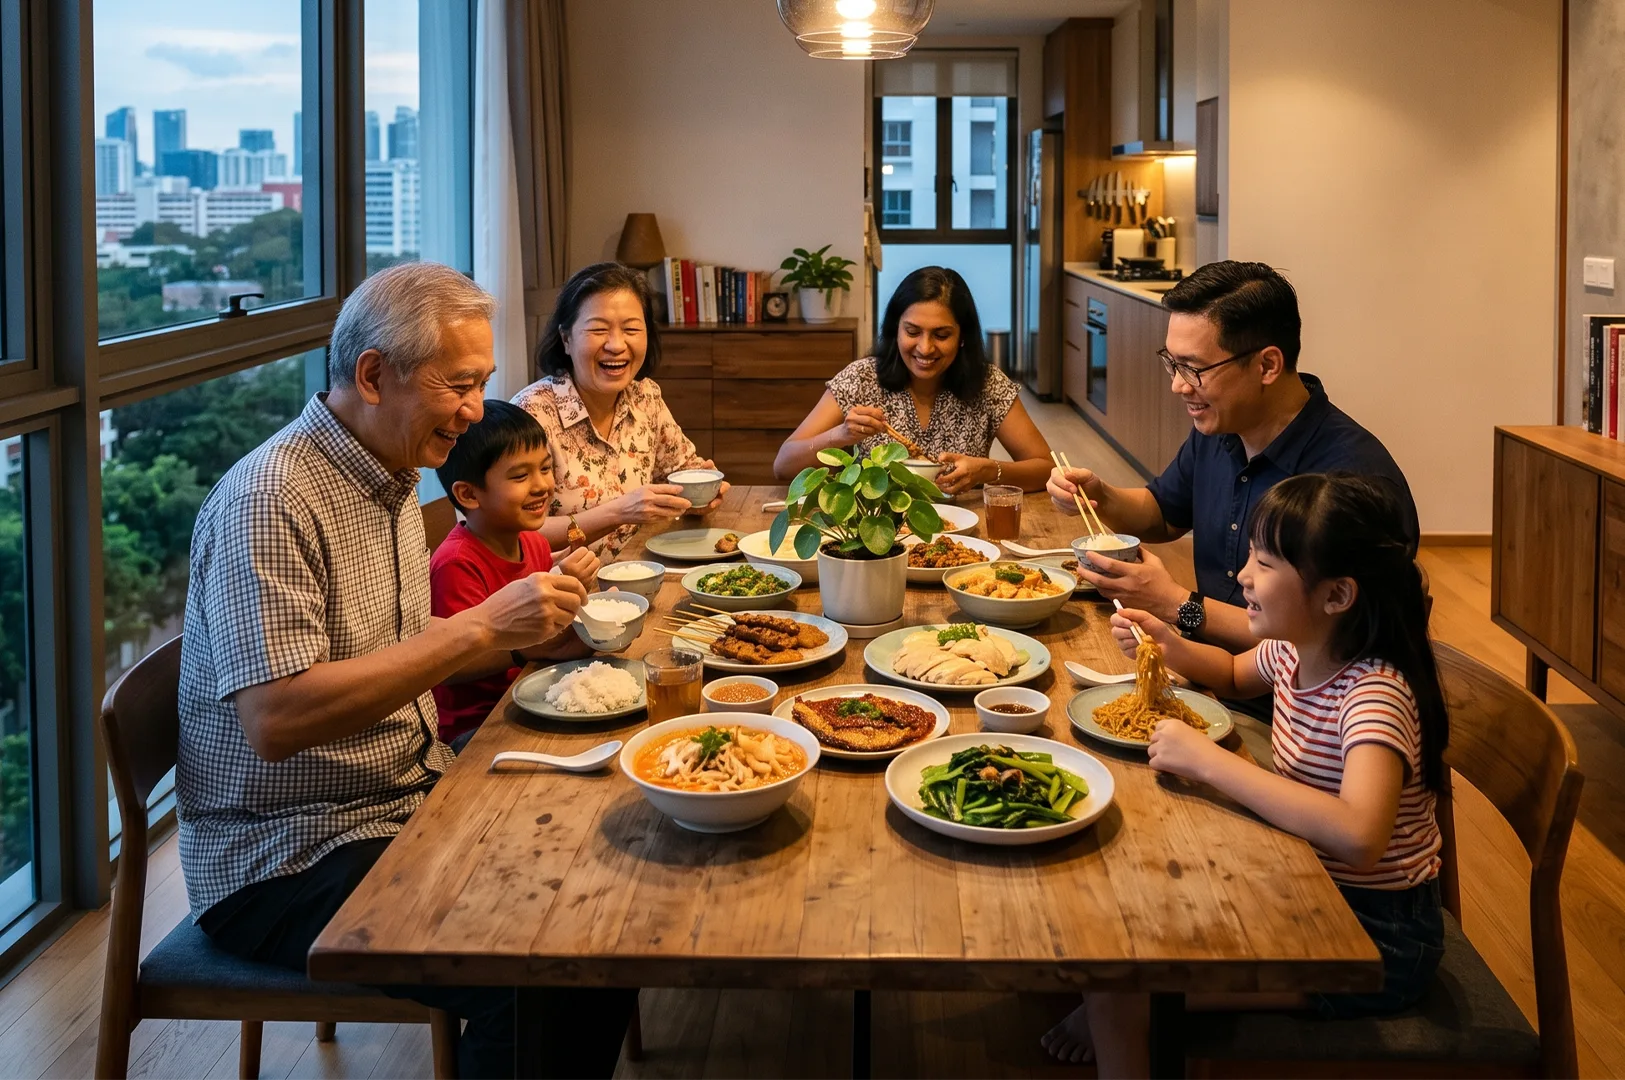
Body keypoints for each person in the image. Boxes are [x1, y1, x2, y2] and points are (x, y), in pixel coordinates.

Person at [176, 262, 636, 1080]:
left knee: (604, 906)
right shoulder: (271, 499)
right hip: (287, 853)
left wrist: (534, 634)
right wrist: (481, 628)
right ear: (371, 375)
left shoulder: (386, 476)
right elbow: (277, 720)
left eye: (482, 382)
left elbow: (395, 641)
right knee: (542, 975)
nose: (475, 410)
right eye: (458, 385)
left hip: (403, 792)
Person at [1042, 473, 1447, 1076]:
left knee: (1118, 987)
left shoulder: (1373, 696)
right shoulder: (1299, 645)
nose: (1243, 576)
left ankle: (1115, 1014)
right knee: (1126, 906)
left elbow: (1360, 836)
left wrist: (1211, 762)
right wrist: (1166, 643)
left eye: (1265, 563)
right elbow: (1233, 676)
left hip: (1374, 934)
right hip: (1304, 882)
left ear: (1337, 595)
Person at [1047, 261, 1418, 664]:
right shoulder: (1221, 427)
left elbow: (1334, 649)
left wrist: (1176, 603)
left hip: (1291, 699)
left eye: (1193, 368)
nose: (1178, 385)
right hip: (1207, 667)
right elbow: (1163, 513)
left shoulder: (1353, 481)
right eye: (1172, 363)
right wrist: (1098, 494)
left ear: (1267, 365)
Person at [511, 261, 727, 558]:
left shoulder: (645, 397)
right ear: (566, 339)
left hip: (646, 570)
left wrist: (701, 494)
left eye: (631, 329)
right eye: (598, 329)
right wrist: (619, 512)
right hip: (565, 584)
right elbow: (515, 536)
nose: (616, 345)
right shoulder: (530, 415)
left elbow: (680, 474)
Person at [774, 266, 1054, 495]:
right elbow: (783, 466)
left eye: (941, 335)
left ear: (963, 338)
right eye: (912, 332)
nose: (925, 348)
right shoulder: (861, 379)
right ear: (895, 329)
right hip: (876, 533)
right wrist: (840, 435)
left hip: (964, 531)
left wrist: (989, 471)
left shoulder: (988, 384)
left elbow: (1048, 469)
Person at [430, 400, 601, 750]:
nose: (542, 486)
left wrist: (573, 588)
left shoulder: (531, 541)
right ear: (468, 494)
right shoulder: (456, 563)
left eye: (545, 468)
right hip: (480, 725)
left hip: (539, 694)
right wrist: (530, 645)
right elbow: (453, 663)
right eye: (521, 476)